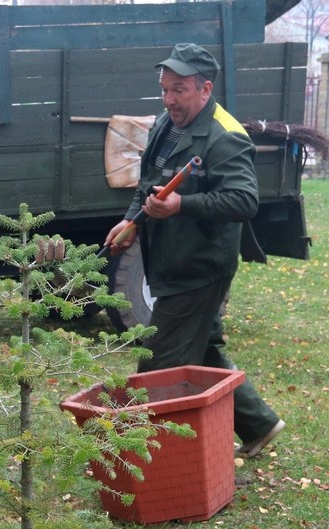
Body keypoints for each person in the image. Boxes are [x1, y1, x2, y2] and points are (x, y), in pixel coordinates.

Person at [103, 43, 284, 458]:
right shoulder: (167, 124)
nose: (169, 99)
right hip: (171, 260)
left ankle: (139, 456)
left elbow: (244, 201)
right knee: (204, 351)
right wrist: (133, 221)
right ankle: (260, 425)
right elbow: (149, 181)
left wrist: (182, 204)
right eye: (165, 89)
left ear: (205, 88)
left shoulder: (226, 135)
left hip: (201, 266)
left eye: (178, 90)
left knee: (157, 362)